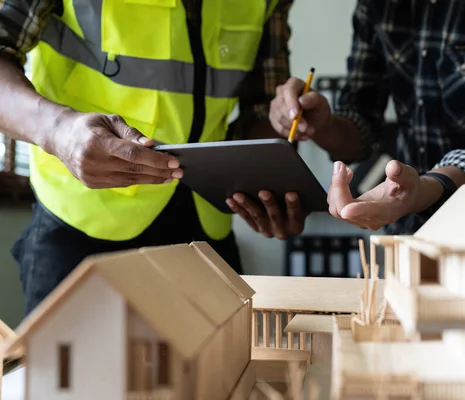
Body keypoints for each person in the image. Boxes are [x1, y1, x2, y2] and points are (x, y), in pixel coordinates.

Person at [0, 0, 303, 314]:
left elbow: (262, 110)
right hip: (82, 219)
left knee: (228, 361)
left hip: (204, 227)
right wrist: (58, 130)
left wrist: (275, 173)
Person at [257, 0, 465, 234]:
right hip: (413, 224)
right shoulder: (377, 7)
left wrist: (423, 189)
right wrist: (322, 126)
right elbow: (360, 126)